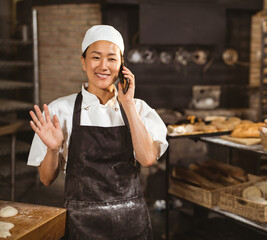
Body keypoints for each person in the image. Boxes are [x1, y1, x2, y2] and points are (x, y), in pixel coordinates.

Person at [27, 25, 168, 240]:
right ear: (83, 62)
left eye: (112, 59)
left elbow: (147, 158)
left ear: (122, 65)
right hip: (81, 225)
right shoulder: (59, 110)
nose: (103, 66)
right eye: (95, 57)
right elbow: (46, 179)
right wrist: (53, 148)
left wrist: (128, 104)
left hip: (131, 223)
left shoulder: (139, 109)